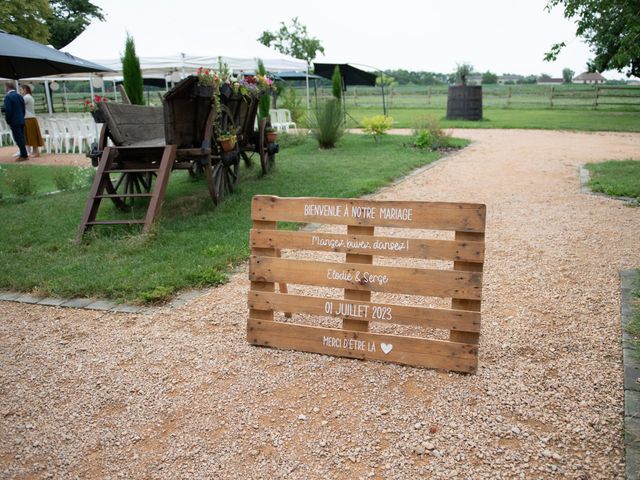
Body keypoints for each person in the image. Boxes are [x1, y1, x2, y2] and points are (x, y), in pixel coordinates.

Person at [3, 82, 28, 160]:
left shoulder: (8, 97)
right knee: (21, 137)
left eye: (4, 87)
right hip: (21, 119)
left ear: (7, 87)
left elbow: (8, 111)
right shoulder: (19, 96)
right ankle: (23, 153)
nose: (4, 89)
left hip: (14, 121)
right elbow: (23, 109)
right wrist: (22, 117)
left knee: (17, 138)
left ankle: (24, 155)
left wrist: (8, 121)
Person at [20, 84, 43, 157]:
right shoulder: (29, 97)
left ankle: (36, 152)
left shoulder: (26, 97)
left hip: (29, 118)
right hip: (30, 118)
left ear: (25, 90)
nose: (20, 91)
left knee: (32, 135)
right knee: (30, 135)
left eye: (21, 89)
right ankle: (34, 151)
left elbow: (19, 104)